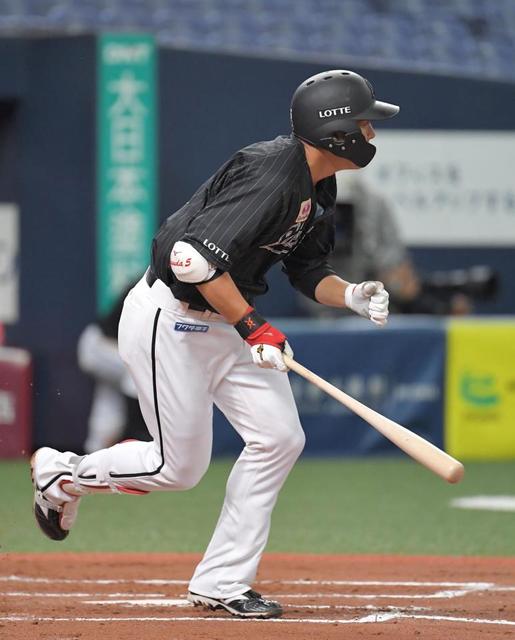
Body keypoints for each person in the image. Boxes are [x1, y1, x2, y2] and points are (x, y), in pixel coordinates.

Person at [30, 70, 397, 619]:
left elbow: (307, 268)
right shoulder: (274, 173)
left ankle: (223, 582)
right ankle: (62, 475)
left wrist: (349, 295)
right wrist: (255, 328)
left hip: (224, 317)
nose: (371, 133)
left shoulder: (318, 183)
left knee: (278, 438)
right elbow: (192, 260)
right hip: (171, 319)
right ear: (336, 130)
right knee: (180, 469)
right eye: (364, 122)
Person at [299, 174, 473, 318]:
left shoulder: (374, 207)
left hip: (381, 310)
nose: (338, 219)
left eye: (344, 210)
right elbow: (304, 274)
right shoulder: (307, 212)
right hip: (325, 312)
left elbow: (396, 275)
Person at [77, 281, 150, 453]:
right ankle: (139, 434)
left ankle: (91, 458)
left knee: (110, 404)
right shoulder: (149, 284)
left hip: (110, 348)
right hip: (101, 345)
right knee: (136, 370)